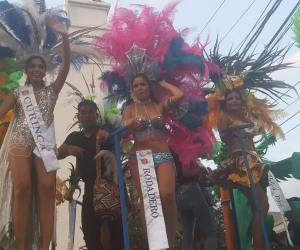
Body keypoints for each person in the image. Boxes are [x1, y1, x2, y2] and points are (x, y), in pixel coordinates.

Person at [0, 18, 70, 250]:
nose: (37, 69)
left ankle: (43, 247)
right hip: (20, 141)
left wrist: (65, 37)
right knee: (22, 188)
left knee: (47, 191)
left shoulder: (52, 91)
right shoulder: (18, 92)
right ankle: (20, 246)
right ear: (27, 71)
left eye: (40, 66)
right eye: (33, 66)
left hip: (45, 146)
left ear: (44, 70)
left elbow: (65, 67)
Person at [122, 73, 184, 249]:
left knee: (167, 195)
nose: (139, 88)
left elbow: (179, 96)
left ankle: (170, 244)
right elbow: (124, 135)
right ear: (132, 89)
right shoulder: (129, 108)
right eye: (136, 85)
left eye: (143, 84)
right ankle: (155, 244)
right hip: (139, 158)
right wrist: (126, 124)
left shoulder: (160, 106)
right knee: (148, 199)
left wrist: (163, 82)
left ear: (150, 87)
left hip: (163, 155)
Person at [58, 100, 124, 250]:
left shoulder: (104, 131)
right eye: (83, 112)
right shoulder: (75, 137)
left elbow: (116, 136)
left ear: (96, 114)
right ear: (78, 117)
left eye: (91, 112)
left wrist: (107, 133)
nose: (87, 115)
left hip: (112, 191)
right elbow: (56, 154)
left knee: (117, 236)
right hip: (90, 193)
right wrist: (69, 148)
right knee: (90, 235)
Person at [210, 89, 270, 250]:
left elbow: (256, 133)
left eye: (237, 98)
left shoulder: (246, 117)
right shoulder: (224, 117)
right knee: (261, 205)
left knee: (259, 205)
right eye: (230, 99)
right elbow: (223, 137)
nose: (234, 101)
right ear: (225, 102)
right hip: (239, 161)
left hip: (254, 160)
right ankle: (258, 247)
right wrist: (232, 129)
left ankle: (261, 244)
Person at [173, 152, 217, 250]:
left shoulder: (183, 153)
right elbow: (187, 173)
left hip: (181, 194)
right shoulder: (187, 151)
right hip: (192, 190)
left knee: (188, 237)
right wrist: (201, 169)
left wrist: (209, 180)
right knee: (211, 232)